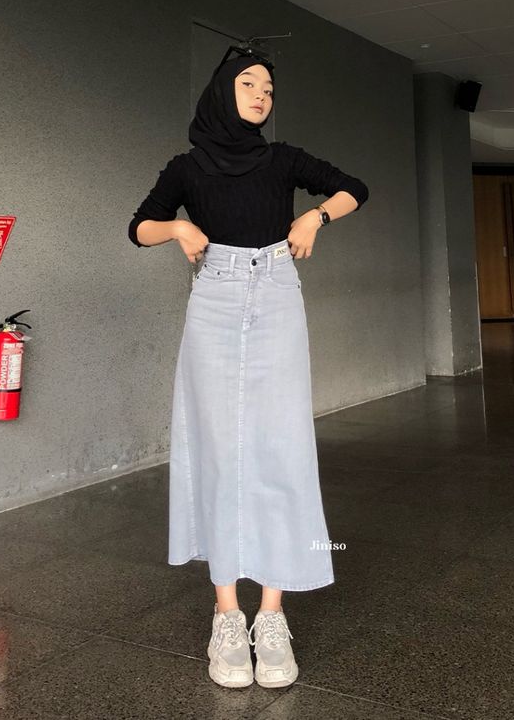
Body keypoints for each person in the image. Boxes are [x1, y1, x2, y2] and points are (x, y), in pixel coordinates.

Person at [128, 50, 369, 689]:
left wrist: (316, 214)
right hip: (215, 294)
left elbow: (354, 187)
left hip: (277, 289)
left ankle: (272, 615)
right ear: (220, 92)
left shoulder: (282, 158)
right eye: (248, 83)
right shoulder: (186, 167)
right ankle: (227, 615)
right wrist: (177, 230)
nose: (262, 94)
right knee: (217, 445)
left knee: (279, 444)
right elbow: (139, 226)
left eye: (269, 87)